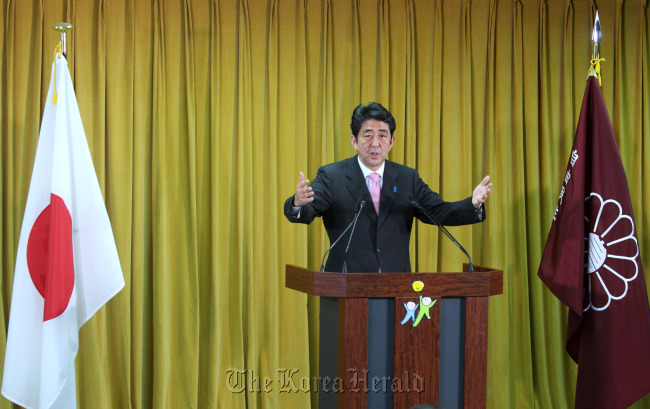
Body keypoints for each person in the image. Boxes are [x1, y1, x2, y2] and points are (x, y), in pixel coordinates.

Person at [284, 102, 491, 273]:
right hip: (346, 284)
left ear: (391, 141)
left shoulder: (407, 178)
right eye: (367, 136)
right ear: (354, 141)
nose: (375, 144)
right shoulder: (332, 176)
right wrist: (297, 203)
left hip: (396, 286)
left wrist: (472, 203)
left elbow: (438, 212)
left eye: (382, 136)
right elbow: (306, 212)